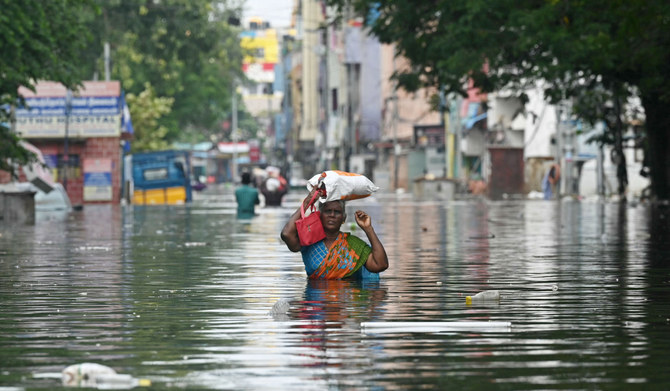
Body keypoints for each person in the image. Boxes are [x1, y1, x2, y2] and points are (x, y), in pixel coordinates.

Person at [280, 187, 388, 279]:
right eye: (328, 211)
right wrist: (308, 201)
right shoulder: (309, 242)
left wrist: (368, 229)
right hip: (315, 300)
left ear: (343, 218)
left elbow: (380, 265)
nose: (332, 215)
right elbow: (286, 234)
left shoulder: (354, 245)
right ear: (319, 216)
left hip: (347, 301)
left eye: (337, 212)